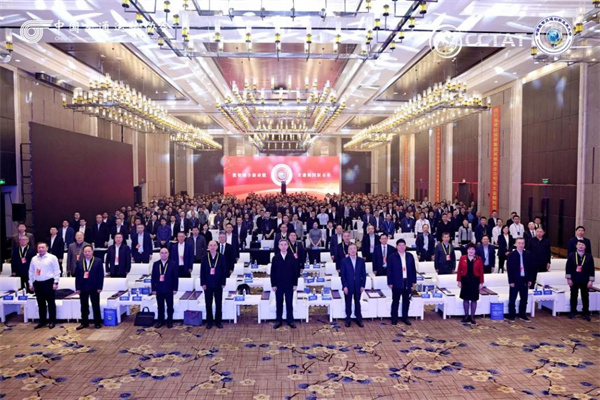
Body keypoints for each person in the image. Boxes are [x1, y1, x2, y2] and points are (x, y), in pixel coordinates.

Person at [28, 242, 61, 329]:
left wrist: (56, 282)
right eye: (39, 248)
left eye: (43, 247)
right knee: (40, 303)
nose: (41, 249)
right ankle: (42, 321)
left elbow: (57, 271)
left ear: (47, 248)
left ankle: (52, 321)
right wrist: (31, 283)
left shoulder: (52, 257)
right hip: (38, 283)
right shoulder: (34, 259)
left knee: (51, 303)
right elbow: (31, 272)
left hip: (49, 283)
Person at [270, 239, 299, 329]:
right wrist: (273, 284)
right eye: (281, 245)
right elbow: (272, 272)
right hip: (278, 285)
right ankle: (278, 320)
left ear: (287, 246)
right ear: (279, 246)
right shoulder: (275, 258)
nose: (283, 246)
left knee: (289, 303)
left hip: (289, 284)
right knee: (279, 303)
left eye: (285, 244)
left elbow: (295, 271)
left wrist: (295, 284)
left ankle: (290, 320)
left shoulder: (292, 257)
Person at [387, 239, 417, 325]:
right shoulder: (392, 257)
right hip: (396, 282)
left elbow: (413, 269)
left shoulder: (410, 256)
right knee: (395, 300)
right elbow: (389, 270)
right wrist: (390, 282)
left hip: (407, 281)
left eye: (403, 245)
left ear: (405, 246)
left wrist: (413, 281)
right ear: (396, 247)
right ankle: (394, 318)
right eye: (399, 245)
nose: (401, 247)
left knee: (406, 300)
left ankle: (405, 317)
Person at [74, 245, 104, 330]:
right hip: (83, 287)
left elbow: (101, 275)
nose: (87, 253)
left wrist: (99, 287)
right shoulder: (79, 262)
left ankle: (97, 322)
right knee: (84, 306)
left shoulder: (98, 261)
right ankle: (84, 322)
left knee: (95, 305)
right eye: (85, 252)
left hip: (94, 287)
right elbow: (77, 276)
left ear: (92, 252)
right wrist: (77, 288)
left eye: (89, 251)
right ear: (83, 253)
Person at [565, 240, 595, 321]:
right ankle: (573, 312)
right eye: (579, 244)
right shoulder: (572, 255)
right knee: (573, 295)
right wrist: (569, 279)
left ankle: (585, 312)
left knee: (585, 296)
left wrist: (591, 280)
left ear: (585, 246)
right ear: (576, 246)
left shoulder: (589, 256)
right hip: (574, 279)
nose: (581, 246)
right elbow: (568, 268)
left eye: (582, 245)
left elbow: (591, 269)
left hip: (585, 279)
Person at [506, 238, 533, 322]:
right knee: (512, 299)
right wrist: (511, 281)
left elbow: (531, 268)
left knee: (524, 299)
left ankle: (522, 315)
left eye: (522, 243)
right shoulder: (511, 255)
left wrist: (530, 279)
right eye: (519, 243)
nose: (521, 245)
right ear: (515, 244)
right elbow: (509, 269)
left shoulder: (528, 254)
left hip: (524, 279)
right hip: (515, 280)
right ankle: (511, 315)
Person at [201, 240, 226, 329]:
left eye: (214, 245)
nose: (212, 247)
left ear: (217, 247)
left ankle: (218, 321)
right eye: (210, 245)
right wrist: (203, 283)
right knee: (208, 303)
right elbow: (202, 271)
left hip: (218, 284)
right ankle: (209, 322)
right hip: (207, 284)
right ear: (208, 247)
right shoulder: (204, 257)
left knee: (218, 303)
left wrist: (223, 282)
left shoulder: (221, 257)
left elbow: (224, 271)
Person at [151, 247, 179, 328]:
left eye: (165, 253)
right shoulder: (156, 264)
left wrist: (175, 288)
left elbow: (175, 277)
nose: (164, 254)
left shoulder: (173, 264)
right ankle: (160, 321)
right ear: (159, 254)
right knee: (160, 306)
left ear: (168, 254)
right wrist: (153, 289)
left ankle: (169, 321)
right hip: (159, 289)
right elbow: (153, 277)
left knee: (170, 306)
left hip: (169, 289)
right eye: (162, 253)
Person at [457, 243, 484, 324]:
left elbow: (481, 271)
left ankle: (472, 317)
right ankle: (466, 316)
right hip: (465, 280)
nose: (471, 251)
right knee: (465, 299)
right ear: (467, 250)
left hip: (475, 281)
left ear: (475, 251)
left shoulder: (478, 259)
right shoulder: (462, 258)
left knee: (473, 299)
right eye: (469, 249)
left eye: (473, 249)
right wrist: (459, 281)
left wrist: (481, 282)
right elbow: (459, 270)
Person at [341, 243, 366, 328]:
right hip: (348, 285)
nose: (353, 250)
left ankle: (358, 318)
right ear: (348, 251)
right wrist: (344, 286)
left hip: (358, 285)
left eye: (354, 248)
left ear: (356, 250)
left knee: (357, 302)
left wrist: (363, 285)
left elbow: (364, 274)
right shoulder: (344, 261)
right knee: (348, 302)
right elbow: (343, 275)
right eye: (351, 249)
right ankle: (348, 319)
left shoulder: (361, 261)